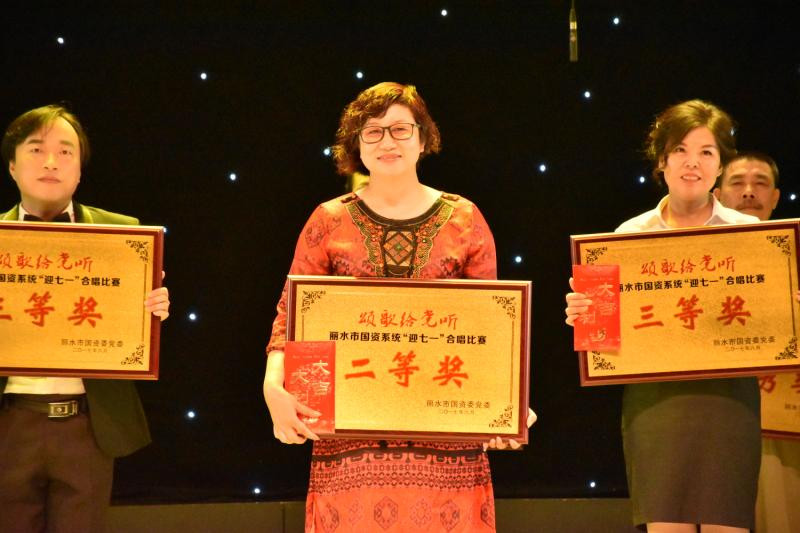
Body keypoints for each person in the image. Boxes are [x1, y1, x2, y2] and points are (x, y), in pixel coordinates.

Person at [264, 82, 535, 532]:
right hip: (351, 439)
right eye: (372, 131)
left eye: (400, 129)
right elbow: (290, 314)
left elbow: (493, 324)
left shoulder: (465, 217)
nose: (386, 141)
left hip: (447, 438)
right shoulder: (328, 219)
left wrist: (509, 402)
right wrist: (273, 385)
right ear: (356, 145)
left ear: (423, 138)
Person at [565, 100, 761, 533]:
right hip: (655, 405)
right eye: (680, 150)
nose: (692, 163)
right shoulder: (628, 235)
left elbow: (770, 322)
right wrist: (584, 315)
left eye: (706, 152)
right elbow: (600, 338)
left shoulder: (747, 234)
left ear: (720, 165)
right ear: (661, 161)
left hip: (728, 403)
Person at [0, 104, 170, 533]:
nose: (51, 162)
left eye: (65, 151)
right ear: (12, 166)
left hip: (88, 426)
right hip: (9, 422)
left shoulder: (123, 235)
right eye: (36, 149)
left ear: (80, 171)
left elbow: (132, 329)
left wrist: (151, 309)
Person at [714, 152, 800, 533]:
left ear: (776, 197)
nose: (749, 192)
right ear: (717, 195)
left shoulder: (794, 249)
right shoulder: (698, 259)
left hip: (785, 416)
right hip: (719, 416)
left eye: (761, 183)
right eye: (737, 183)